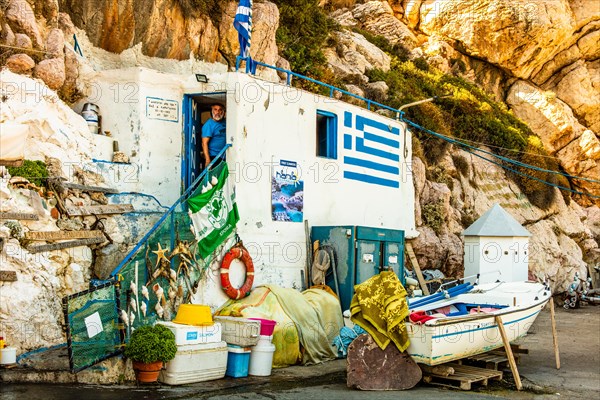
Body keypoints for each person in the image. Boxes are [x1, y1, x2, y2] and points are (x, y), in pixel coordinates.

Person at [201, 103, 226, 167]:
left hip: (225, 156)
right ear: (212, 111)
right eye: (215, 109)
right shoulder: (209, 125)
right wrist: (208, 160)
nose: (217, 112)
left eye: (220, 110)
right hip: (214, 158)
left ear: (223, 112)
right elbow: (204, 143)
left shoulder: (225, 122)